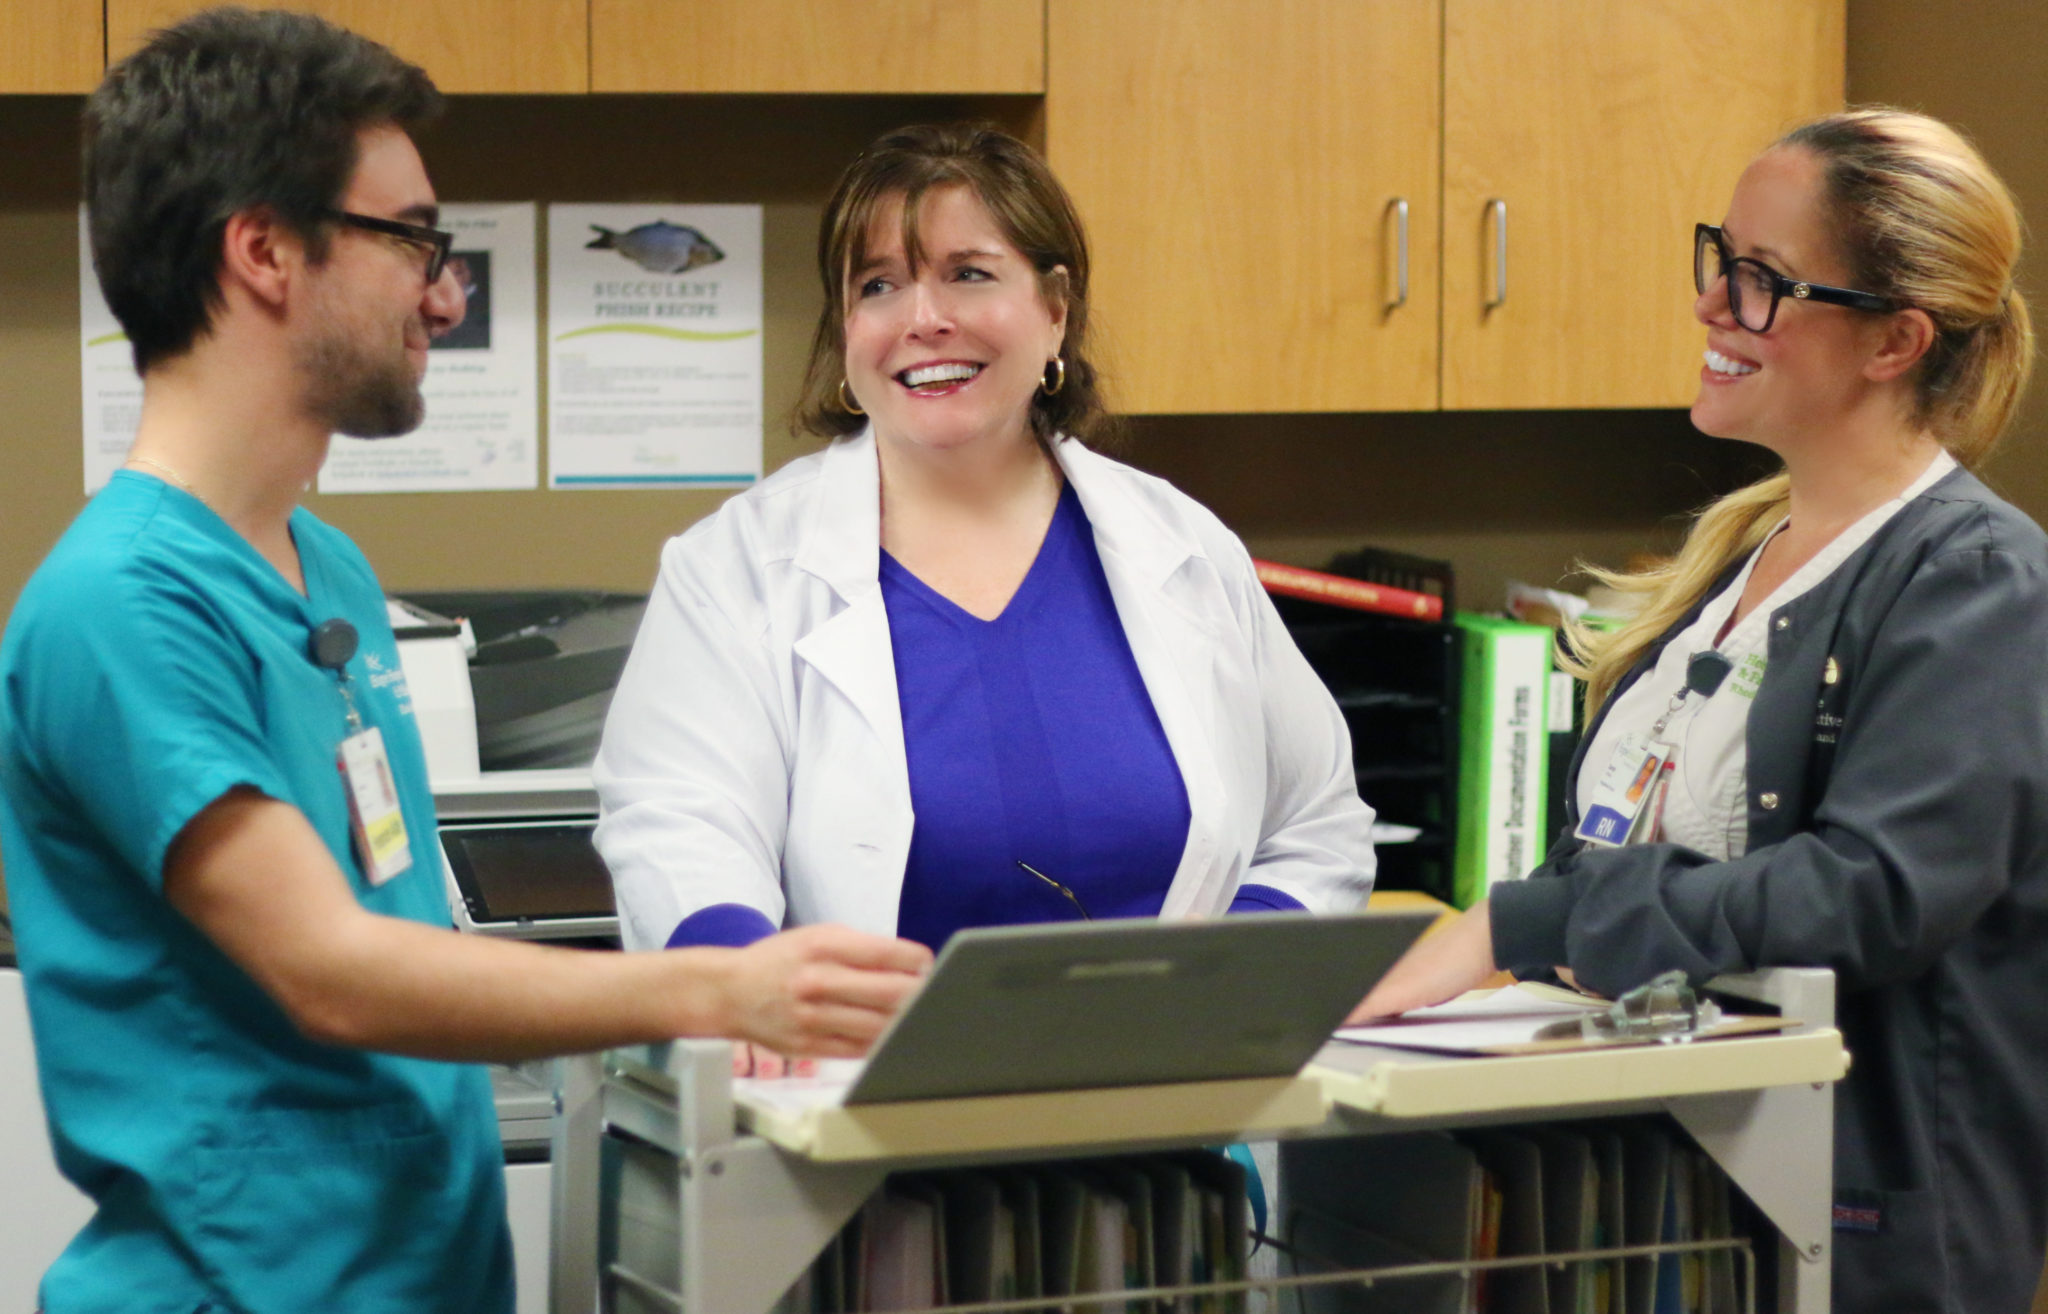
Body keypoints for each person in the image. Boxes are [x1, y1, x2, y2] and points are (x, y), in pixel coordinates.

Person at [0, 11, 928, 1311]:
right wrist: (721, 983)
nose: (445, 290)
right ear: (264, 249)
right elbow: (330, 967)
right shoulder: (120, 606)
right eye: (413, 241)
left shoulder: (326, 573)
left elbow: (399, 917)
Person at [1356, 109, 2048, 1314]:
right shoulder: (1743, 555)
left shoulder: (1977, 583)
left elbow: (1864, 895)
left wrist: (1529, 922)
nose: (1712, 305)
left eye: (1762, 281)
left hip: (1859, 1232)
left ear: (1893, 339)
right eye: (1716, 259)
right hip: (1670, 1190)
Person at [594, 123, 1375, 969]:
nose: (923, 319)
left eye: (968, 274)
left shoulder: (1183, 548)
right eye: (879, 285)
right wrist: (741, 984)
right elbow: (679, 828)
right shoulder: (737, 570)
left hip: (1180, 1075)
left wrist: (1220, 977)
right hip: (860, 1080)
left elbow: (1315, 824)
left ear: (1055, 308)